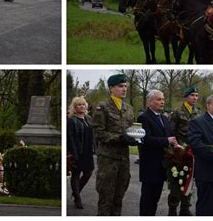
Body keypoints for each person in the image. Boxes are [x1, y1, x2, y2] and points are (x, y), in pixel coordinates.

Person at [91, 73, 137, 216]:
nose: (124, 89)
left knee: (119, 196)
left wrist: (135, 137)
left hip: (123, 158)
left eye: (125, 86)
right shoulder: (102, 107)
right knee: (106, 198)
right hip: (108, 159)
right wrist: (119, 138)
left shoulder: (128, 108)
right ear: (111, 88)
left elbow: (132, 129)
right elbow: (99, 133)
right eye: (120, 86)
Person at [138, 90, 177, 216]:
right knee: (147, 200)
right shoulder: (144, 118)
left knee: (155, 199)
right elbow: (146, 139)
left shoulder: (164, 119)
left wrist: (177, 145)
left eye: (163, 99)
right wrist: (166, 141)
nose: (162, 102)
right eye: (158, 99)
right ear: (150, 101)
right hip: (150, 166)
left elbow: (171, 136)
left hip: (162, 166)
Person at [168, 85, 201, 216]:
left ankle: (185, 209)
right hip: (179, 151)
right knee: (177, 180)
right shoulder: (177, 112)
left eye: (196, 95)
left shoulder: (198, 112)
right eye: (192, 95)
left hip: (193, 151)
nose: (195, 98)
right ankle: (172, 209)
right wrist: (176, 148)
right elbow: (171, 131)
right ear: (186, 97)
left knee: (189, 180)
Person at [67, 96, 94, 209]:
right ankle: (78, 198)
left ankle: (76, 192)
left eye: (83, 104)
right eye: (79, 105)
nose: (82, 106)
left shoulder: (88, 118)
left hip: (88, 151)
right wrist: (74, 153)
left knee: (88, 173)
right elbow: (70, 138)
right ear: (74, 107)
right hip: (77, 151)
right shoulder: (71, 121)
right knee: (76, 174)